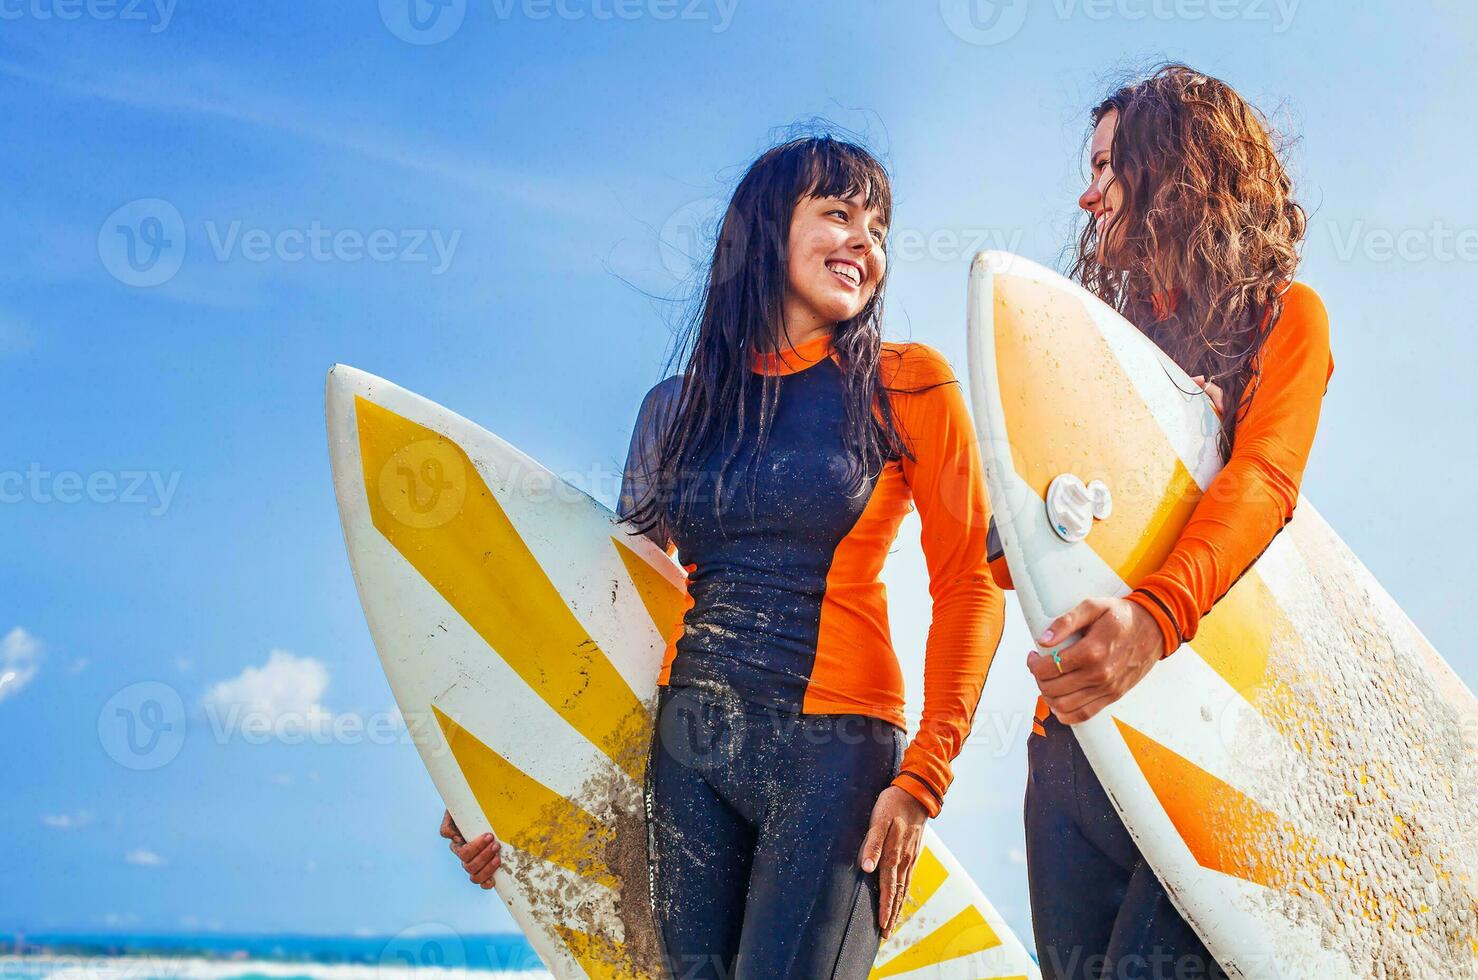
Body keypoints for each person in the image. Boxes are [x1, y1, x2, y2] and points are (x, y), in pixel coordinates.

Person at [444, 134, 1006, 979]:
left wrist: (925, 775)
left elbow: (969, 582)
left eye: (879, 228)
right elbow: (612, 607)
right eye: (838, 214)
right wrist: (501, 783)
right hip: (690, 753)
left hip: (836, 754)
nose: (865, 242)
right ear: (765, 232)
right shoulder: (676, 409)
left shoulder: (908, 383)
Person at [995, 64, 1335, 980]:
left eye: (1109, 165)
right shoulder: (1101, 339)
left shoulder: (1281, 322)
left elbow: (1264, 480)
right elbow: (1022, 551)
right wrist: (1015, 528)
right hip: (1066, 744)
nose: (1087, 191)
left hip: (1201, 741)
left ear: (1176, 169)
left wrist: (1152, 620)